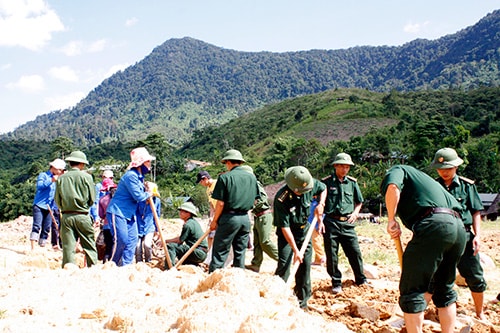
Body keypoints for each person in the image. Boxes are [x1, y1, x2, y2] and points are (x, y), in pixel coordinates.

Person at [381, 165, 466, 333]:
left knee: (412, 289)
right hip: (459, 228)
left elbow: (392, 187)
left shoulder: (397, 170)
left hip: (436, 224)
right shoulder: (427, 183)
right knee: (444, 289)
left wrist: (391, 219)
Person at [431, 147, 487, 320]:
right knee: (437, 276)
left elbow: (476, 211)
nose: (444, 172)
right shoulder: (433, 186)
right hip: (441, 238)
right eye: (441, 169)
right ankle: (441, 311)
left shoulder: (467, 186)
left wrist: (477, 236)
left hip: (465, 236)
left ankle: (480, 312)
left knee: (474, 276)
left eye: (448, 168)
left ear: (456, 167)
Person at [274, 166, 326, 309]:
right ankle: (277, 299)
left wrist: (321, 204)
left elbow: (323, 188)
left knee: (305, 268)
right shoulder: (281, 198)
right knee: (284, 266)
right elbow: (284, 227)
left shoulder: (309, 183)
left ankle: (302, 303)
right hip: (287, 235)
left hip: (304, 232)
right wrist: (296, 250)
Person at [322, 153, 367, 294]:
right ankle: (336, 282)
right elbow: (318, 202)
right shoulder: (326, 183)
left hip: (347, 223)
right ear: (335, 166)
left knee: (355, 252)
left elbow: (359, 201)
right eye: (342, 166)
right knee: (332, 255)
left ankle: (361, 279)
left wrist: (355, 213)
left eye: (347, 167)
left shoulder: (352, 183)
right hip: (331, 222)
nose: (344, 169)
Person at [208, 149, 258, 273]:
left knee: (220, 252)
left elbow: (220, 203)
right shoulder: (251, 178)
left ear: (228, 162)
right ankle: (238, 280)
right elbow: (254, 201)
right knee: (240, 253)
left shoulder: (225, 177)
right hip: (245, 219)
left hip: (229, 218)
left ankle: (213, 279)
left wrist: (214, 221)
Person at [106, 147, 154, 266]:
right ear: (141, 163)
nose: (149, 165)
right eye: (148, 162)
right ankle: (112, 264)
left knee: (132, 240)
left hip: (130, 214)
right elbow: (139, 196)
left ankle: (125, 266)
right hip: (118, 212)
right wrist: (149, 193)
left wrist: (146, 192)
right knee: (121, 239)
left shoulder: (139, 177)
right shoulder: (131, 176)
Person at [54, 151, 98, 267]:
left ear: (70, 163)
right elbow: (92, 199)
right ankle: (92, 268)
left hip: (67, 216)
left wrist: (65, 207)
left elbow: (57, 200)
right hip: (83, 215)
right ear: (82, 164)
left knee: (68, 247)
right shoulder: (87, 177)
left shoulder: (61, 178)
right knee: (89, 245)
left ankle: (69, 269)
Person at [240, 165, 279, 273]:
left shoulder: (255, 184)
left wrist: (249, 206)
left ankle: (283, 260)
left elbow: (262, 199)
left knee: (265, 242)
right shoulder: (248, 186)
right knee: (257, 242)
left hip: (264, 215)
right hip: (258, 216)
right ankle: (255, 264)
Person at [30, 158, 66, 250]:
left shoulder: (58, 179)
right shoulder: (44, 175)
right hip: (39, 205)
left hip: (50, 206)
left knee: (46, 228)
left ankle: (42, 246)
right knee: (37, 225)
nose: (60, 171)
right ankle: (33, 247)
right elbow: (40, 186)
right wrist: (51, 180)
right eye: (59, 169)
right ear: (53, 167)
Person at [166, 202, 208, 267]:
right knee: (180, 250)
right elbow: (181, 238)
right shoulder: (192, 222)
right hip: (201, 253)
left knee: (171, 246)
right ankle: (191, 264)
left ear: (188, 213)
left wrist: (166, 241)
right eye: (180, 211)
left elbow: (180, 241)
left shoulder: (188, 225)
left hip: (198, 252)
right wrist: (166, 240)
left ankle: (169, 267)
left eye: (183, 211)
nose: (180, 213)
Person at [135, 181, 161, 263]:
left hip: (149, 226)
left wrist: (157, 230)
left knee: (147, 244)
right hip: (138, 226)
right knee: (137, 246)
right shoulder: (139, 200)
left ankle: (148, 261)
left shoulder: (157, 201)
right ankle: (139, 262)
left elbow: (157, 216)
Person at [196, 170, 217, 250]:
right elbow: (211, 205)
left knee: (217, 236)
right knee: (210, 235)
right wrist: (211, 217)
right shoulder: (207, 190)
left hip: (221, 213)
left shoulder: (217, 183)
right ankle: (209, 252)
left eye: (201, 182)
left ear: (205, 178)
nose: (201, 184)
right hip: (215, 213)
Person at [98, 177, 118, 262]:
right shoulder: (118, 199)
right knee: (115, 244)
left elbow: (101, 215)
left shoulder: (102, 199)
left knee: (108, 246)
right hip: (117, 225)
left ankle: (105, 261)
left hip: (106, 226)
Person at [309, 197, 326, 266]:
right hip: (310, 222)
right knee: (317, 240)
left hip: (316, 223)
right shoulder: (312, 200)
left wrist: (319, 223)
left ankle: (322, 257)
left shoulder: (320, 203)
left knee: (315, 240)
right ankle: (318, 260)